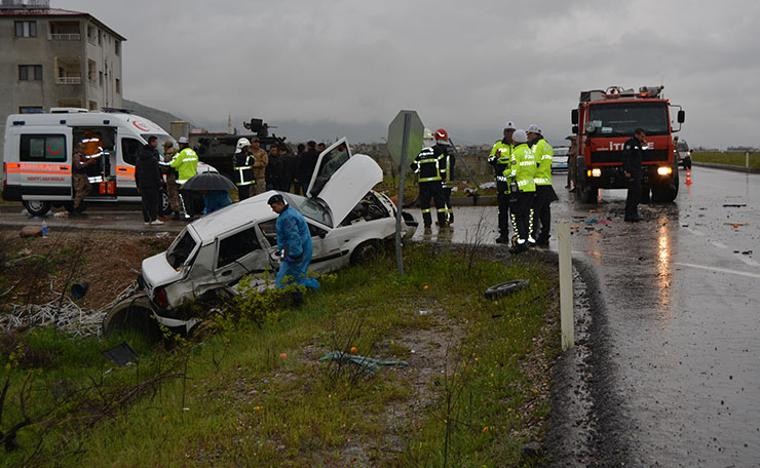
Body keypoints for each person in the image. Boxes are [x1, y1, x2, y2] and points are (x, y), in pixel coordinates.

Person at [267, 193, 320, 291]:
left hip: (295, 251)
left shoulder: (288, 218)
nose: (273, 210)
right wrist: (282, 252)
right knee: (289, 275)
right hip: (289, 250)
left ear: (280, 204)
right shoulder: (288, 212)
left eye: (274, 207)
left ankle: (310, 288)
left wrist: (295, 254)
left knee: (292, 277)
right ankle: (295, 293)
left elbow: (293, 238)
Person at [505, 129, 536, 254]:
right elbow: (533, 170)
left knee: (517, 216)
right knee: (526, 215)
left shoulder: (516, 153)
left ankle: (521, 243)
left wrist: (505, 173)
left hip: (518, 189)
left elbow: (513, 171)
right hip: (530, 187)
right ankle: (526, 240)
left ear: (515, 140)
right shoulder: (530, 152)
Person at [527, 124, 558, 247]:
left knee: (534, 211)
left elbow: (534, 164)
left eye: (529, 134)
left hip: (537, 183)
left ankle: (533, 237)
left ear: (535, 134)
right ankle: (544, 236)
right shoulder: (547, 146)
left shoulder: (536, 146)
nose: (528, 137)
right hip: (546, 182)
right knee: (545, 212)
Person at [411, 131, 448, 230]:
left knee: (425, 205)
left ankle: (427, 224)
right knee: (440, 204)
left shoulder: (419, 152)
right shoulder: (437, 150)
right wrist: (443, 176)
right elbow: (443, 165)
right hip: (436, 182)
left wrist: (419, 171)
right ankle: (442, 223)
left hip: (423, 183)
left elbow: (413, 165)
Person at [488, 121, 516, 243]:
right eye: (508, 131)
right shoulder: (498, 145)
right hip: (502, 184)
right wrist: (496, 158)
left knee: (516, 211)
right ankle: (503, 234)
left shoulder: (518, 145)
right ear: (504, 133)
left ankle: (518, 235)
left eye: (512, 131)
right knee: (503, 211)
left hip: (515, 185)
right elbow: (490, 159)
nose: (510, 134)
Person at [135, 136, 164, 225]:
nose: (157, 144)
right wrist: (159, 183)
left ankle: (146, 220)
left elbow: (136, 172)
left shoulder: (140, 157)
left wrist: (138, 184)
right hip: (152, 183)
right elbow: (156, 172)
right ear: (152, 142)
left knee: (145, 201)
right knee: (154, 201)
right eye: (156, 142)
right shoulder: (153, 159)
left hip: (143, 183)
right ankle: (154, 218)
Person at [170, 136, 199, 219]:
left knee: (185, 199)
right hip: (192, 178)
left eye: (179, 144)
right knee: (191, 198)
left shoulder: (182, 153)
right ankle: (192, 214)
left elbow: (174, 164)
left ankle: (188, 215)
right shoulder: (193, 152)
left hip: (183, 179)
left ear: (182, 145)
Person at [623, 128, 646, 222]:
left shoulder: (638, 144)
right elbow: (626, 157)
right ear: (637, 134)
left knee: (637, 193)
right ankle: (629, 215)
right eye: (642, 136)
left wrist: (644, 146)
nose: (643, 138)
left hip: (637, 171)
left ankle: (634, 213)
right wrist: (627, 170)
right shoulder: (630, 143)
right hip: (632, 171)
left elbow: (642, 157)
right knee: (633, 193)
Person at [433, 129, 456, 225]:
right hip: (449, 178)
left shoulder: (437, 149)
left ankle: (445, 219)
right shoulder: (450, 149)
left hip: (441, 178)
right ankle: (449, 217)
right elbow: (453, 163)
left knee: (441, 200)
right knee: (446, 198)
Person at [71, 142, 96, 215]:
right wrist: (88, 162)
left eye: (84, 148)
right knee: (79, 192)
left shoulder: (82, 155)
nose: (83, 149)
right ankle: (75, 208)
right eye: (82, 148)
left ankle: (80, 200)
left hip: (83, 174)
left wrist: (90, 162)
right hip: (78, 175)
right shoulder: (76, 156)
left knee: (89, 188)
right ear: (78, 148)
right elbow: (78, 166)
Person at [162, 141, 181, 218]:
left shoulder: (168, 155)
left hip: (171, 176)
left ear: (166, 147)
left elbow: (165, 168)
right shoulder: (177, 153)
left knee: (172, 194)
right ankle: (178, 210)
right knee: (177, 193)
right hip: (178, 176)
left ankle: (176, 212)